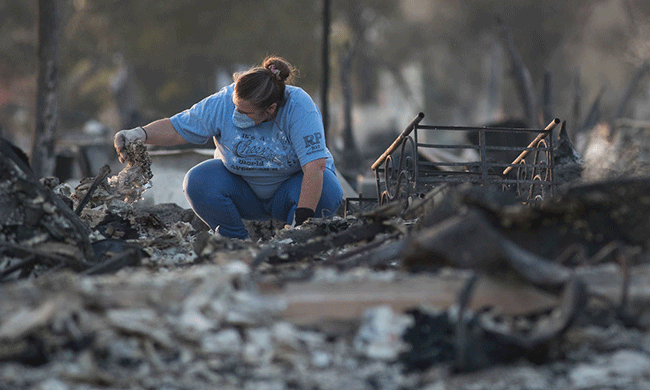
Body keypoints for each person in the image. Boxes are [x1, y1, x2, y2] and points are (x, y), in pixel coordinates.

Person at [114, 56, 343, 239]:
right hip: (243, 188)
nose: (236, 115)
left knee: (327, 190)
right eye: (235, 107)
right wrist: (139, 134)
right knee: (198, 181)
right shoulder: (224, 101)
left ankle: (300, 237)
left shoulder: (299, 106)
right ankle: (234, 242)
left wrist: (299, 226)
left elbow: (315, 167)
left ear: (271, 109)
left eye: (245, 113)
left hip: (290, 189)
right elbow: (177, 128)